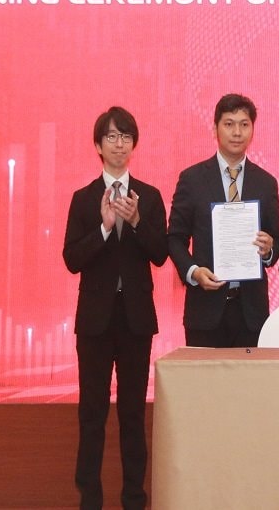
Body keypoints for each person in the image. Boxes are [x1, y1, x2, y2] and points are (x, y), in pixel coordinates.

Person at [62, 106, 169, 510]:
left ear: (134, 144)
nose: (119, 144)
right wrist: (105, 227)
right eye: (111, 137)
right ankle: (89, 498)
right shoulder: (83, 199)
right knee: (92, 413)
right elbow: (72, 259)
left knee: (132, 414)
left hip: (136, 321)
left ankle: (134, 499)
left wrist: (137, 220)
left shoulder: (150, 197)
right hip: (94, 322)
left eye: (125, 137)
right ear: (98, 145)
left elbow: (160, 254)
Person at [167, 93, 279, 347]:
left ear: (253, 129)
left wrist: (268, 250)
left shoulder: (266, 182)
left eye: (244, 124)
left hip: (251, 313)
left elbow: (276, 240)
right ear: (215, 128)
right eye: (229, 124)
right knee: (204, 375)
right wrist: (194, 272)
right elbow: (174, 238)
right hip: (204, 311)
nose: (237, 132)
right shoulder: (192, 179)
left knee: (249, 375)